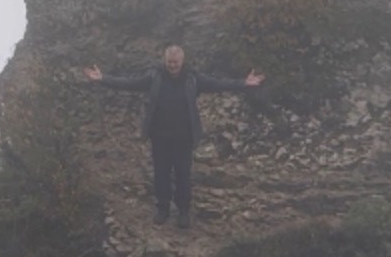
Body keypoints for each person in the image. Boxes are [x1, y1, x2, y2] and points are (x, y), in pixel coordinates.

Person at [84, 45, 264, 227]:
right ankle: (163, 208)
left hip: (184, 137)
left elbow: (217, 84)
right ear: (165, 61)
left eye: (175, 62)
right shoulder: (154, 77)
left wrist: (243, 83)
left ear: (182, 61)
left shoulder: (193, 78)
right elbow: (130, 83)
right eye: (169, 62)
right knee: (161, 174)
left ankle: (183, 211)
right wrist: (103, 78)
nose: (172, 66)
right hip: (159, 136)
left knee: (183, 175)